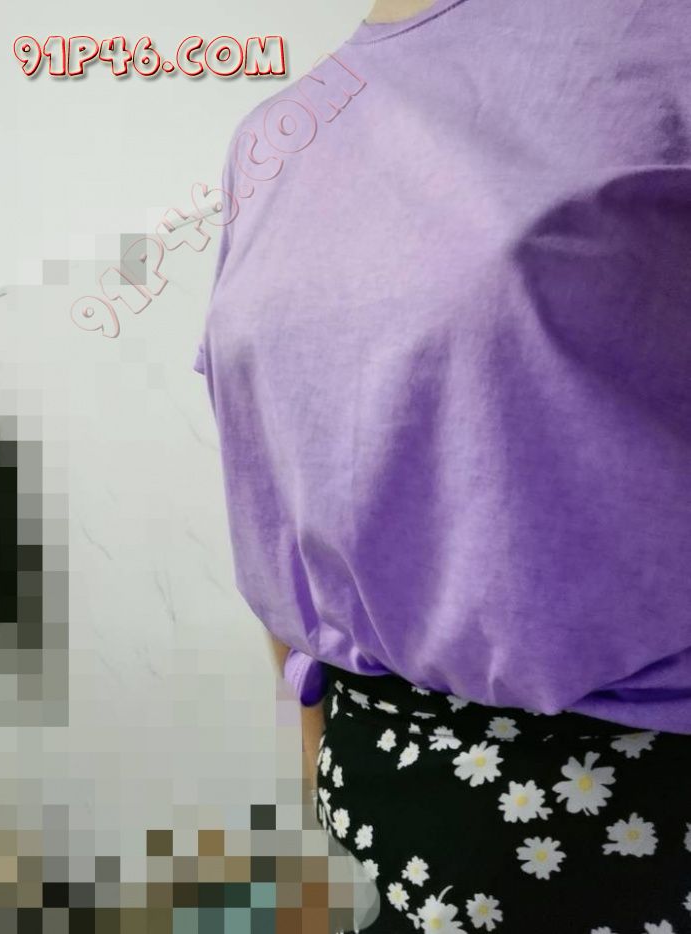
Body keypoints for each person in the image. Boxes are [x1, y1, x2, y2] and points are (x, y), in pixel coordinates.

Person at [193, 0, 691, 929]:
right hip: (386, 822)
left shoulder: (662, 40)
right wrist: (313, 761)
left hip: (638, 828)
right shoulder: (271, 138)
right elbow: (276, 485)